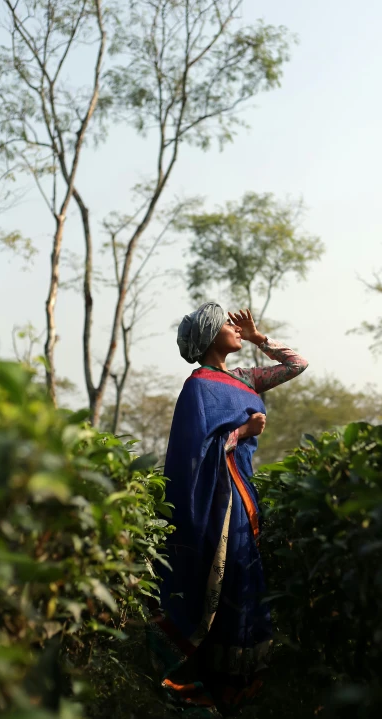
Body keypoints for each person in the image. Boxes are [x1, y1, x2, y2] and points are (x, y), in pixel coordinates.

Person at [147, 303, 308, 717]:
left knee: (242, 580)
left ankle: (240, 683)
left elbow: (298, 364)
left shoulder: (244, 377)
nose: (235, 328)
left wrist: (259, 339)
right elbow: (193, 454)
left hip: (243, 495)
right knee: (220, 581)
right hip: (218, 502)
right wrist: (242, 431)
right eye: (227, 326)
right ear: (209, 337)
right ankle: (201, 678)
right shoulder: (198, 387)